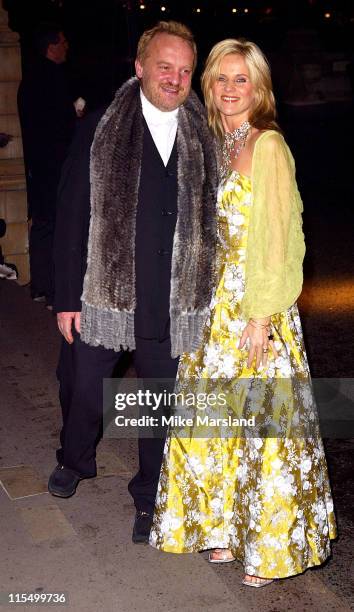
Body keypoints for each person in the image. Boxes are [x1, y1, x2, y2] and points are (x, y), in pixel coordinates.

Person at [149, 39, 337, 586]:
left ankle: (270, 548)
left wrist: (260, 317)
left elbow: (279, 239)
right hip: (212, 305)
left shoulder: (268, 146)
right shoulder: (215, 139)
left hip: (256, 304)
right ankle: (229, 530)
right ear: (208, 85)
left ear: (258, 88)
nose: (230, 90)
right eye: (221, 79)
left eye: (241, 80)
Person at [48, 21, 218, 544]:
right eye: (165, 66)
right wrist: (65, 298)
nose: (175, 78)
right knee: (82, 387)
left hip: (173, 298)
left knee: (159, 404)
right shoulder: (101, 127)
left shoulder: (205, 133)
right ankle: (74, 460)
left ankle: (150, 496)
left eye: (186, 69)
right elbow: (71, 214)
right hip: (105, 292)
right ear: (140, 67)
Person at [17, 22, 76, 307]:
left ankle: (41, 285)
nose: (66, 47)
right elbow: (60, 127)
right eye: (62, 42)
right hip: (55, 165)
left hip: (39, 164)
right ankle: (53, 290)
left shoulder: (30, 78)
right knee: (57, 225)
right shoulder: (52, 78)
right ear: (51, 46)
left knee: (42, 223)